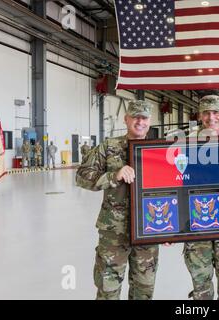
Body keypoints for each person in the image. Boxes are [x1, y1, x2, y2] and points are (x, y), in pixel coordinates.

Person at [76, 100, 159, 300]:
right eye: (135, 117)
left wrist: (170, 228)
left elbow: (173, 188)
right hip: (114, 232)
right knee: (108, 289)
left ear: (150, 121)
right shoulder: (109, 147)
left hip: (149, 230)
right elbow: (82, 176)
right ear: (126, 118)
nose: (140, 122)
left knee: (144, 289)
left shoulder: (158, 150)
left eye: (144, 117)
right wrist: (114, 175)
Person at [183, 95, 219, 300]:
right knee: (201, 285)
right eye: (206, 113)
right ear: (200, 115)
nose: (211, 117)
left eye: (215, 112)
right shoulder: (186, 143)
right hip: (196, 224)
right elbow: (174, 183)